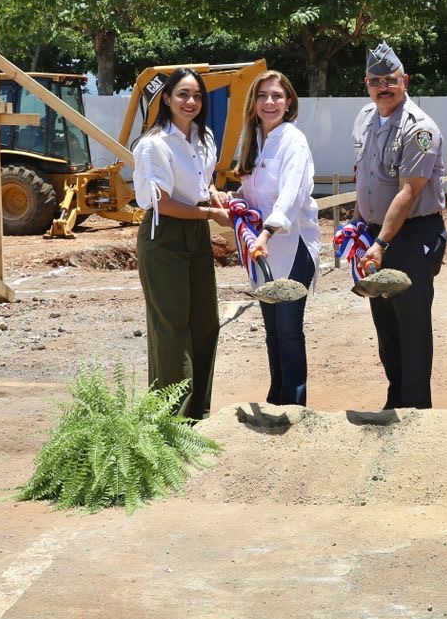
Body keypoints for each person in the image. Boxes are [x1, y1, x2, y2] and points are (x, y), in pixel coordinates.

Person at [352, 41, 447, 409]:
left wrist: (379, 243)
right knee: (385, 322)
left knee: (411, 323)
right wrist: (358, 227)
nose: (384, 87)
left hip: (411, 236)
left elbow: (409, 192)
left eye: (391, 80)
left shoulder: (420, 128)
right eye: (376, 81)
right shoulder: (364, 118)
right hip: (376, 235)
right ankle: (396, 399)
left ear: (404, 80)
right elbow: (365, 177)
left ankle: (415, 407)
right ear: (367, 85)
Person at [132, 67, 220, 420]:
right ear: (166, 99)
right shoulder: (153, 144)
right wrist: (212, 214)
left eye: (197, 95)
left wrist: (216, 197)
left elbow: (203, 184)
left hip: (197, 232)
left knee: (205, 322)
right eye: (183, 94)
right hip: (164, 233)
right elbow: (164, 203)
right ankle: (170, 419)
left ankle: (198, 412)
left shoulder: (205, 137)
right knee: (171, 327)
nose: (191, 101)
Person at [233, 70, 320, 407]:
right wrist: (235, 199)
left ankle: (295, 402)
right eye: (262, 96)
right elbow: (254, 190)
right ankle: (277, 395)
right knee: (271, 328)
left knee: (288, 326)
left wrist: (267, 232)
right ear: (253, 103)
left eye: (277, 96)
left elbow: (291, 195)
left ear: (289, 103)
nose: (269, 102)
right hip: (263, 249)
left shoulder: (293, 141)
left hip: (293, 244)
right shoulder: (253, 138)